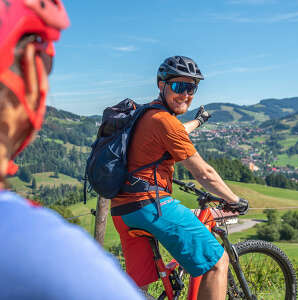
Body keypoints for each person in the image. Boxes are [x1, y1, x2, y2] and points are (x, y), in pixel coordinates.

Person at [0, 1, 144, 299]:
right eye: (45, 63)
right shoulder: (47, 256)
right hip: (146, 206)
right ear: (27, 71)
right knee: (212, 258)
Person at [111, 56, 249, 300]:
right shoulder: (165, 122)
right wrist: (234, 199)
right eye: (178, 86)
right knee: (218, 262)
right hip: (151, 206)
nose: (185, 94)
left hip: (123, 210)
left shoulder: (146, 114)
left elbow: (176, 131)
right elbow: (204, 173)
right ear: (161, 84)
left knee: (136, 290)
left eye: (191, 88)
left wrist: (198, 121)